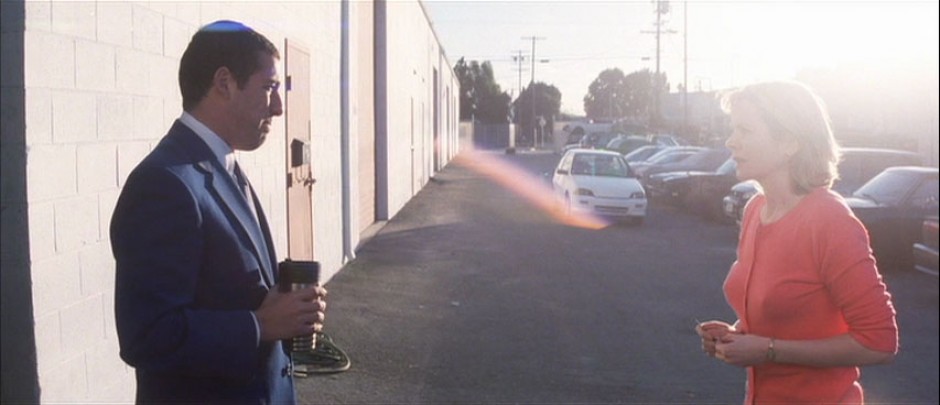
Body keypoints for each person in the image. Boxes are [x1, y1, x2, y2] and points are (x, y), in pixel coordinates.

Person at [110, 20, 326, 404]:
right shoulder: (164, 183)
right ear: (224, 83)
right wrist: (259, 326)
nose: (278, 107)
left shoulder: (221, 164)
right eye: (270, 88)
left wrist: (284, 305)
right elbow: (147, 335)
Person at [695, 81, 898, 404]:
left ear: (789, 142)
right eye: (733, 130)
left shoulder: (830, 220)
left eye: (745, 131)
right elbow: (788, 316)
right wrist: (736, 336)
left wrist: (770, 350)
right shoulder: (755, 210)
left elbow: (880, 342)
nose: (731, 142)